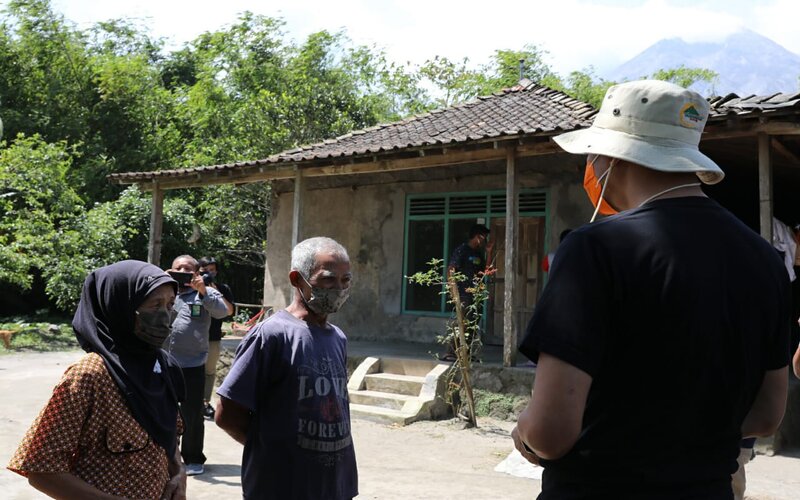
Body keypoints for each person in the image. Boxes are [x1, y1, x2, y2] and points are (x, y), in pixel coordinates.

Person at [511, 80, 790, 499]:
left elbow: (551, 435)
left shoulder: (593, 249)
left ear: (609, 157)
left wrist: (525, 426)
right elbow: (767, 415)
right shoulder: (766, 261)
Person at [8, 260, 187, 500]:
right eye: (155, 305)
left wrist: (179, 471)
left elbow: (167, 434)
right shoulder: (89, 376)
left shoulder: (162, 367)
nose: (165, 316)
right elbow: (40, 469)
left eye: (170, 305)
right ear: (120, 308)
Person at [215, 236, 358, 500]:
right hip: (282, 486)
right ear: (297, 279)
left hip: (335, 485)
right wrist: (274, 450)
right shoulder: (271, 335)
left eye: (345, 280)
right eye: (328, 279)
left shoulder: (337, 337)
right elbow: (227, 413)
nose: (338, 288)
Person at [167, 255, 230, 476]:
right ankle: (165, 457)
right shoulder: (163, 288)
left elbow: (222, 312)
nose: (182, 270)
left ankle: (193, 458)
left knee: (192, 414)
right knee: (162, 411)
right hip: (163, 362)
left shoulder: (207, 292)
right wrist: (161, 282)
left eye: (187, 268)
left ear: (196, 273)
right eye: (178, 267)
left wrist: (203, 291)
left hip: (192, 364)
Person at [439, 223, 491, 362]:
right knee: (460, 323)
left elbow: (486, 271)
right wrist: (453, 290)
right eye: (483, 237)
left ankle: (465, 353)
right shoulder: (462, 250)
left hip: (476, 294)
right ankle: (451, 353)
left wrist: (489, 252)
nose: (484, 240)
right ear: (477, 236)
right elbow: (451, 269)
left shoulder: (478, 253)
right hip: (463, 293)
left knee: (472, 324)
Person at [197, 256, 235, 420]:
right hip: (193, 336)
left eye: (212, 270)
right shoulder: (190, 287)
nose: (209, 273)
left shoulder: (223, 288)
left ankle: (205, 403)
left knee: (209, 371)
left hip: (212, 337)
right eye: (205, 270)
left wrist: (215, 292)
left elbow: (230, 311)